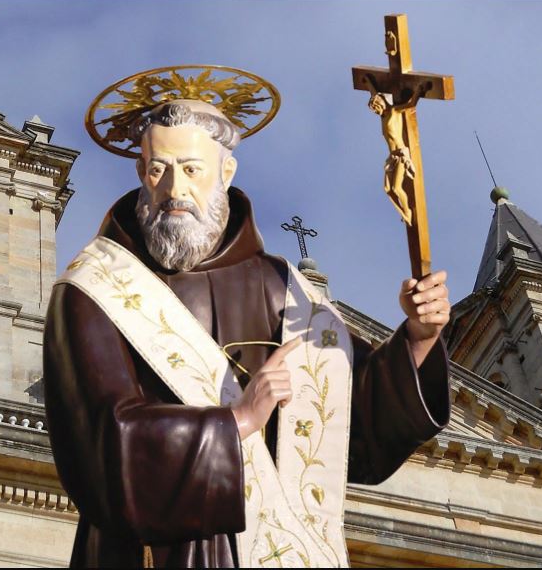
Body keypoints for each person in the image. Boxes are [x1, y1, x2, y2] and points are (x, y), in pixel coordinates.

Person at [43, 99, 451, 568]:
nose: (175, 190)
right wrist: (235, 422)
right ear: (141, 172)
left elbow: (353, 428)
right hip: (166, 551)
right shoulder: (93, 288)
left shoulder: (283, 289)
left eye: (192, 169)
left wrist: (419, 338)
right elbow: (97, 441)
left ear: (227, 171)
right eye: (160, 170)